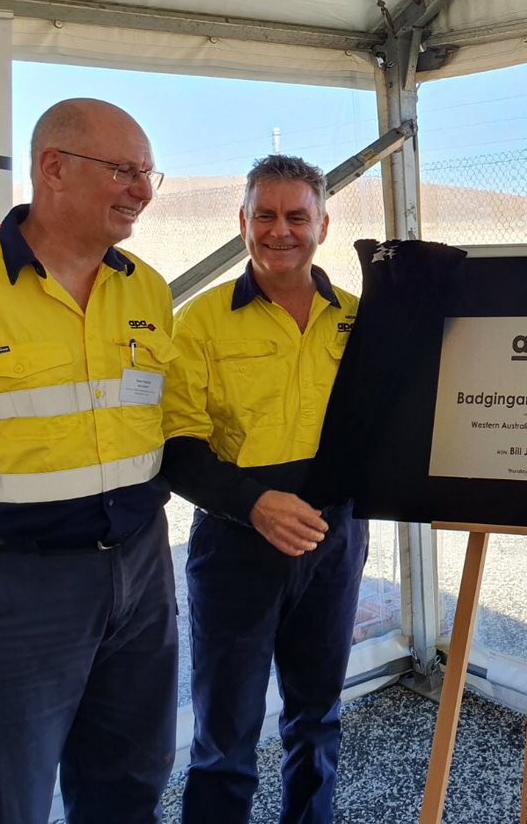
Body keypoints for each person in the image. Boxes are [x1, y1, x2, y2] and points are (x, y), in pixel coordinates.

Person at [0, 99, 177, 822]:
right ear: (53, 167)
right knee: (0, 796)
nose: (141, 188)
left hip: (141, 571)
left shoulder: (145, 286)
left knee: (131, 780)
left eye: (147, 173)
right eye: (124, 170)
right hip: (9, 586)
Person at [161, 154, 369, 824]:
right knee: (227, 730)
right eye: (266, 215)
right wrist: (251, 504)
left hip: (334, 539)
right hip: (236, 545)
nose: (281, 230)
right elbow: (178, 449)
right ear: (243, 221)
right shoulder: (202, 322)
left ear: (324, 224)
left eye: (297, 216)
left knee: (318, 715)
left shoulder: (360, 319)